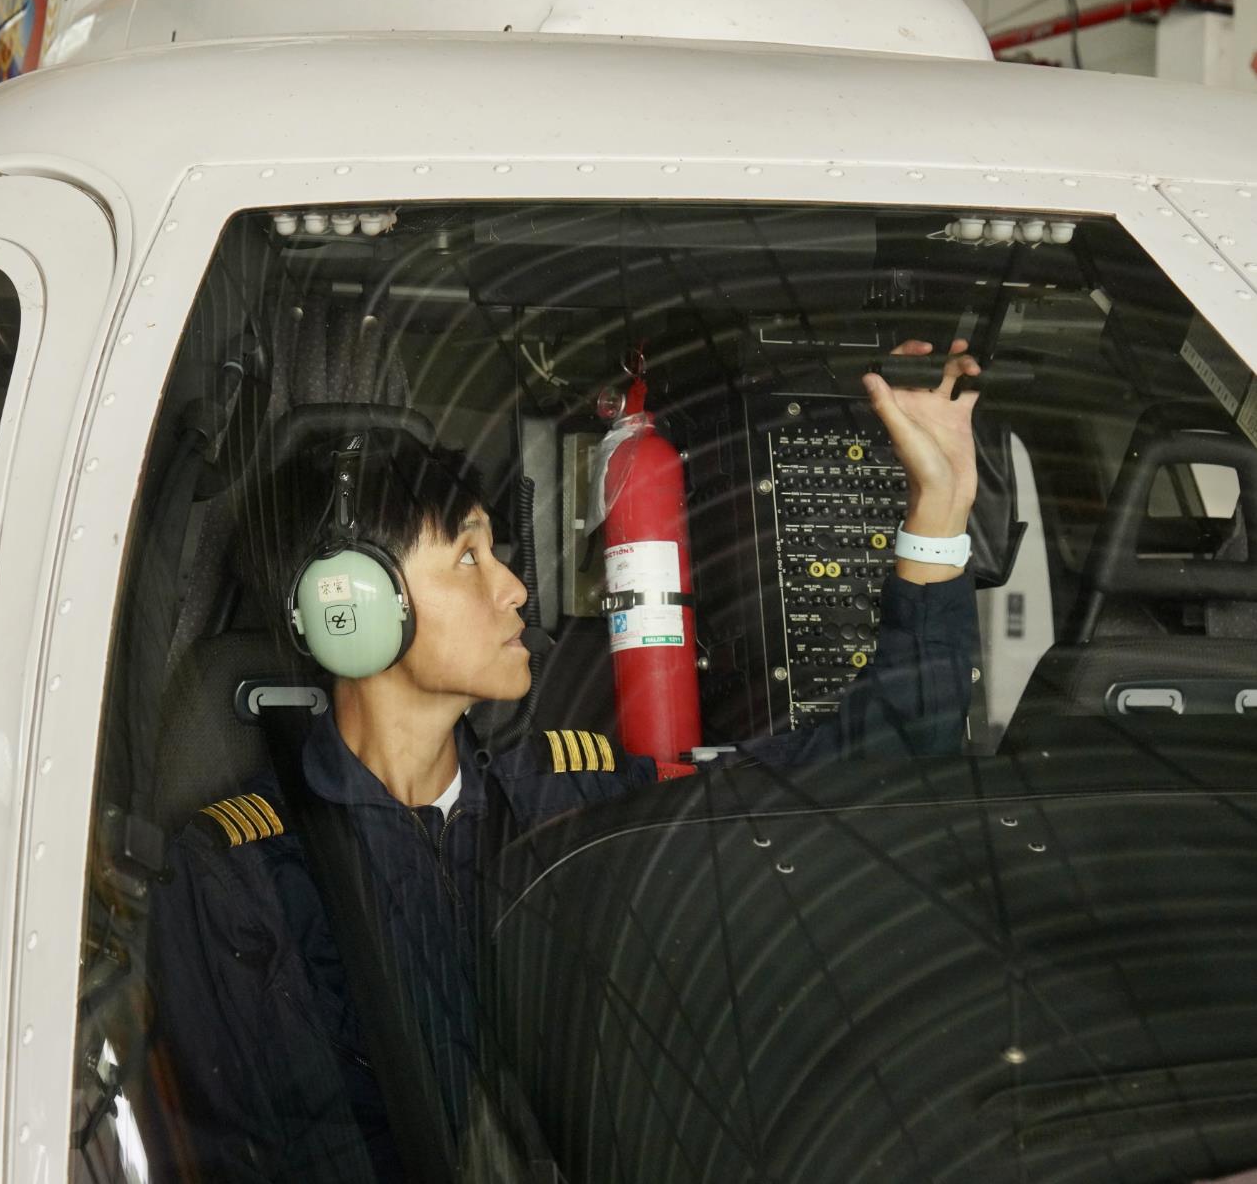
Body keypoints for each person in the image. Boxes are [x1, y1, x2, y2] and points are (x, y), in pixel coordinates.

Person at [146, 341, 985, 1181]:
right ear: (353, 609)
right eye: (468, 557)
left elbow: (865, 765)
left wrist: (940, 509)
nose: (513, 588)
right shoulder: (240, 883)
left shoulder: (574, 800)